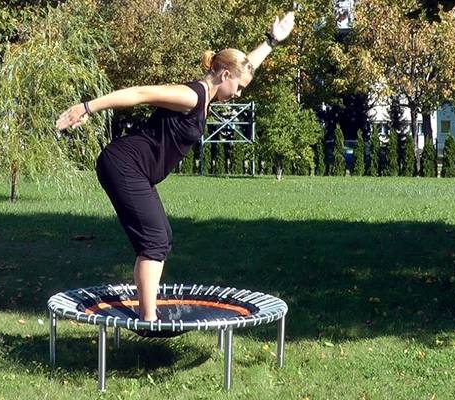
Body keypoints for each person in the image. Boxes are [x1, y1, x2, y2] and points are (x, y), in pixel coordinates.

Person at [56, 12, 295, 323]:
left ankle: (147, 311)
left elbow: (245, 65)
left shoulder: (213, 91)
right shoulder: (189, 96)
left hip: (136, 170)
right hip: (124, 165)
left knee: (160, 237)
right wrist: (86, 108)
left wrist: (272, 40)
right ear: (223, 75)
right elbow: (140, 94)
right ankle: (149, 318)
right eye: (238, 88)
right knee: (154, 241)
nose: (238, 94)